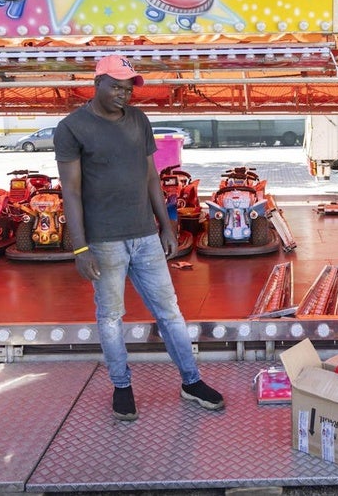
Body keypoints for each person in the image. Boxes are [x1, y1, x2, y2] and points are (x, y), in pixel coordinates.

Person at [54, 54, 224, 421]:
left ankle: (191, 381)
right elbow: (71, 190)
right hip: (104, 241)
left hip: (145, 236)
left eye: (128, 88)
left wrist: (166, 225)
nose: (122, 94)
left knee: (171, 313)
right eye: (115, 86)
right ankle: (122, 386)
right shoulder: (72, 128)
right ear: (96, 82)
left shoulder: (139, 120)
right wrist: (80, 247)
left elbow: (151, 177)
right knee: (112, 317)